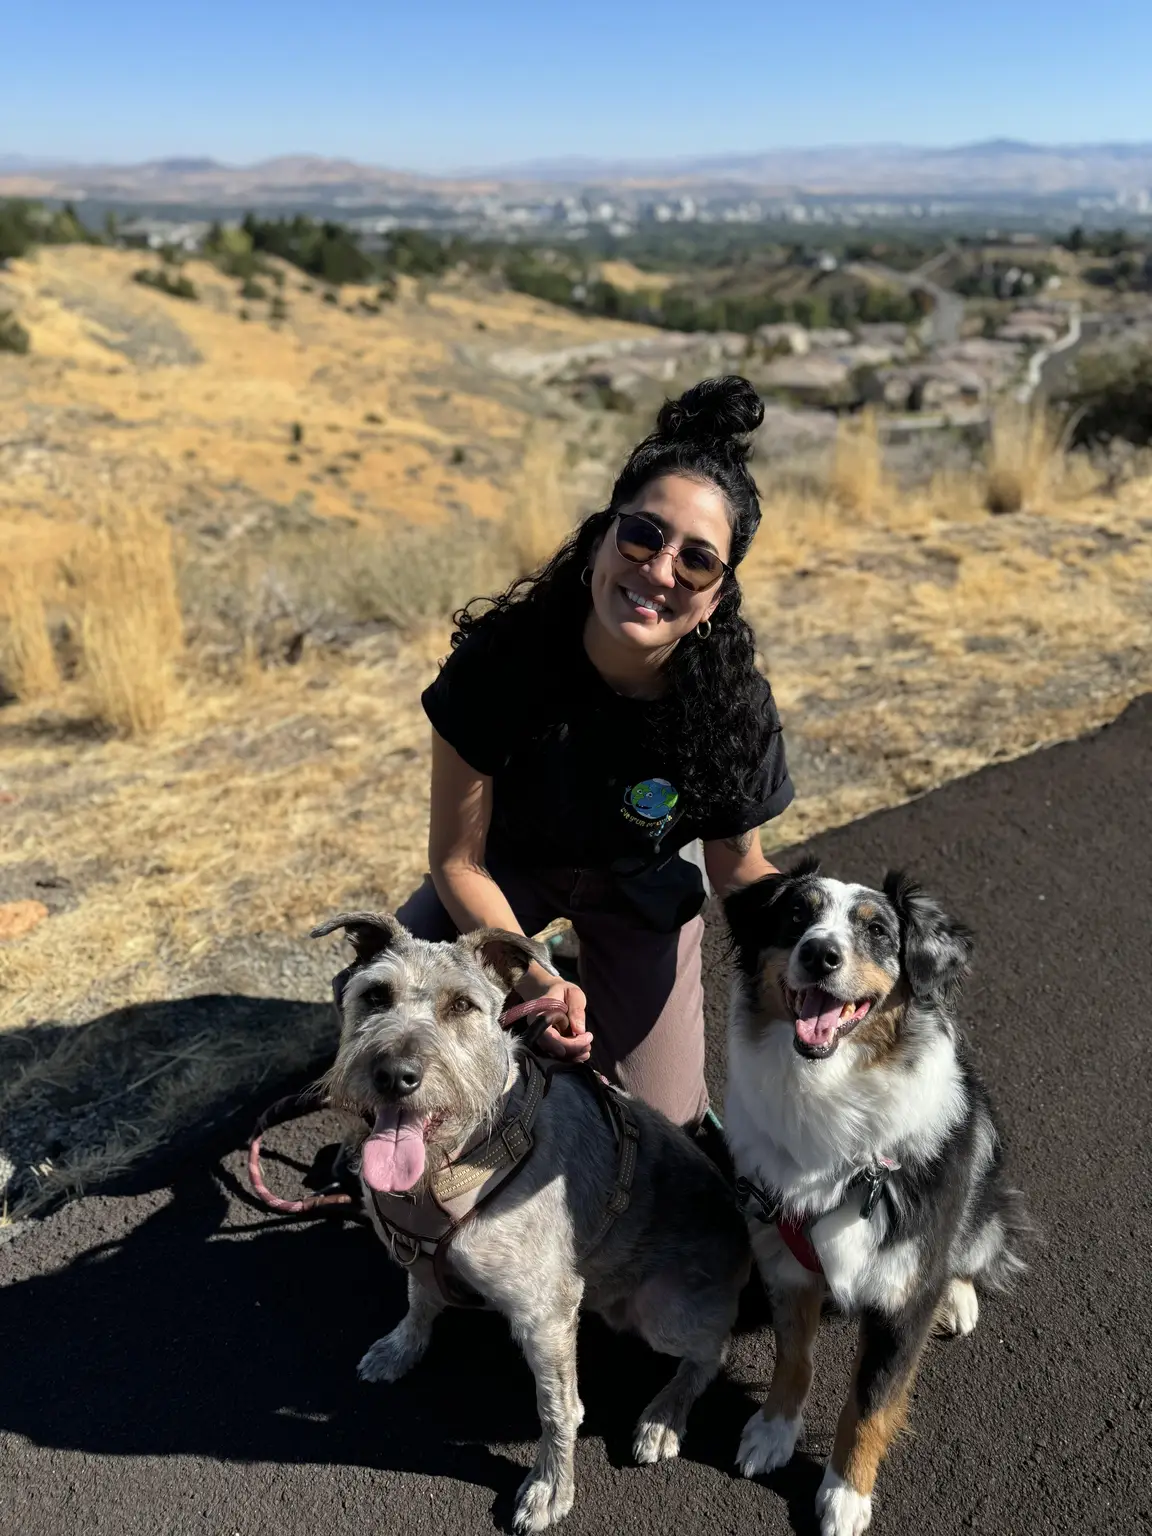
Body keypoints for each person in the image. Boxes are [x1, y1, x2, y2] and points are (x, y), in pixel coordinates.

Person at [398, 375, 793, 1130]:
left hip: (638, 897)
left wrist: (821, 933)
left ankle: (596, 974)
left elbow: (737, 868)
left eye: (697, 562)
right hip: (505, 877)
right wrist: (530, 978)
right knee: (379, 1001)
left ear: (716, 598)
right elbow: (458, 862)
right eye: (643, 534)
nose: (659, 569)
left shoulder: (732, 710)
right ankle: (560, 981)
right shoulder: (500, 663)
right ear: (602, 535)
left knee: (661, 1129)